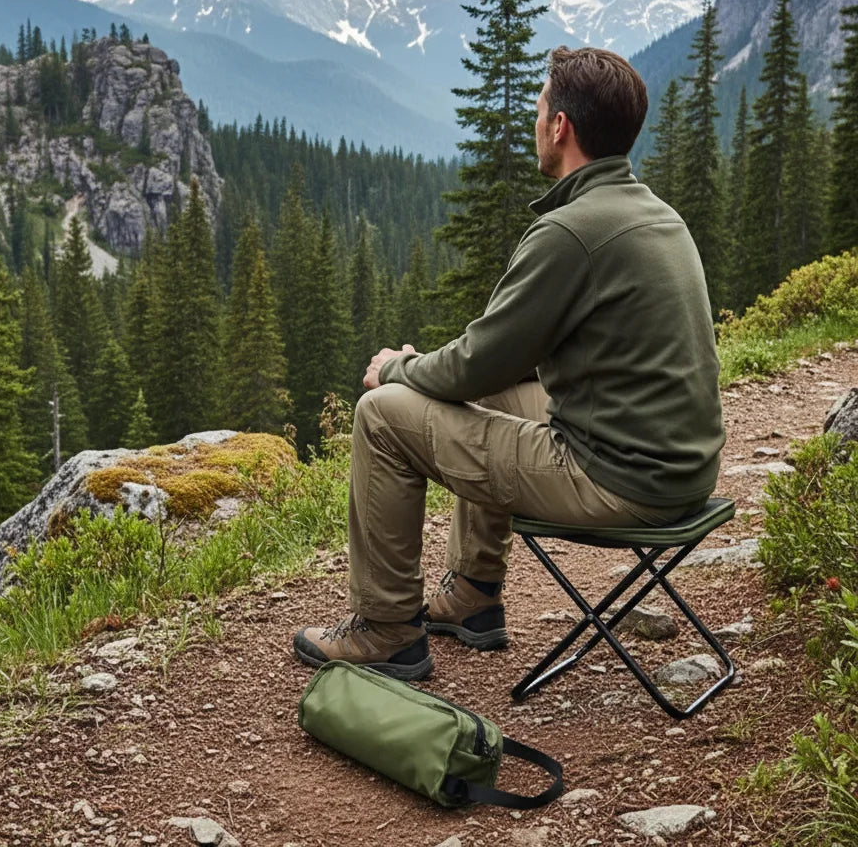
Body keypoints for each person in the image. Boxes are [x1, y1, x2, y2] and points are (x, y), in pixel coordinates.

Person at [293, 46, 726, 681]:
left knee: (383, 416)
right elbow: (497, 365)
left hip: (620, 482)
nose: (535, 118)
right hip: (679, 471)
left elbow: (473, 364)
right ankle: (473, 596)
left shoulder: (571, 231)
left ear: (560, 127)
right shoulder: (654, 214)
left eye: (540, 106)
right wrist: (439, 370)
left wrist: (395, 370)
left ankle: (385, 631)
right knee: (493, 395)